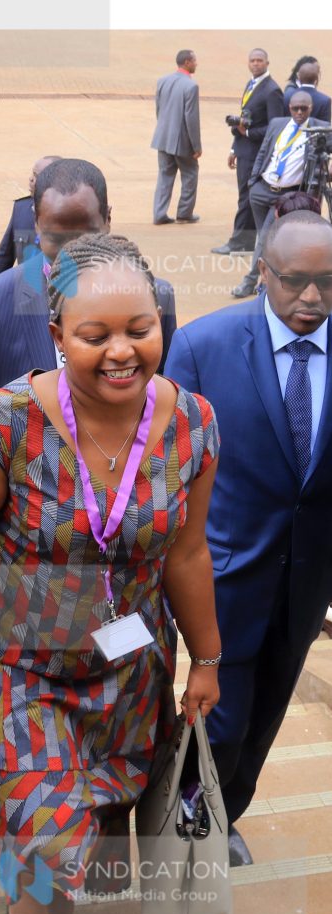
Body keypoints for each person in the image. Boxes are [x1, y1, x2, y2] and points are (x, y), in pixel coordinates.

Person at [0, 233, 221, 914]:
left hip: (129, 663)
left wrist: (207, 660)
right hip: (21, 662)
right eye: (95, 336)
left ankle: (48, 895)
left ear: (162, 324)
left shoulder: (191, 425)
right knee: (46, 824)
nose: (121, 351)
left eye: (139, 330)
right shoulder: (3, 426)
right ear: (58, 337)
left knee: (96, 805)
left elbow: (186, 552)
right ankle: (45, 910)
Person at [165, 210, 332, 869]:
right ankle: (182, 820)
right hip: (221, 581)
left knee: (262, 717)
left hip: (304, 584)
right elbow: (169, 477)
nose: (311, 297)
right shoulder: (203, 347)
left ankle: (224, 811)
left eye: (325, 282)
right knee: (219, 718)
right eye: (294, 281)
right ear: (262, 273)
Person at [0, 157, 177, 537]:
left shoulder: (152, 300)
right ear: (36, 221)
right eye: (55, 240)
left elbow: (166, 415)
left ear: (108, 219)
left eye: (86, 236)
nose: (70, 257)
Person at [231, 91, 329, 299]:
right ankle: (267, 278)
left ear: (311, 108)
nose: (300, 112)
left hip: (285, 196)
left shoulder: (319, 129)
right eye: (295, 108)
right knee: (264, 238)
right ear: (289, 108)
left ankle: (252, 282)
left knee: (265, 238)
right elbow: (264, 152)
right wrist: (253, 182)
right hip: (261, 190)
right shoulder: (277, 124)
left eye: (304, 108)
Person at [211, 48, 283, 255]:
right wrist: (234, 146)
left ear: (267, 63)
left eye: (260, 60)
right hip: (244, 149)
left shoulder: (272, 90)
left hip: (256, 153)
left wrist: (249, 133)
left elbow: (275, 126)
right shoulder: (251, 84)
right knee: (246, 196)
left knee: (247, 196)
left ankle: (239, 241)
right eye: (252, 60)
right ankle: (246, 241)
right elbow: (244, 118)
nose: (256, 64)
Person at [151, 49, 202, 225]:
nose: (196, 64)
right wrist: (196, 146)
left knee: (165, 175)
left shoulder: (163, 81)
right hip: (182, 141)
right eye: (194, 61)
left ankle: (159, 213)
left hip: (162, 137)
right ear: (187, 62)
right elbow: (191, 118)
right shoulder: (191, 86)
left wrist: (164, 129)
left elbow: (159, 109)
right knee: (190, 174)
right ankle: (184, 213)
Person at [0, 154, 61, 276]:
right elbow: (4, 256)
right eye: (33, 173)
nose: (31, 179)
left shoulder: (69, 217)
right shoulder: (21, 209)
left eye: (37, 176)